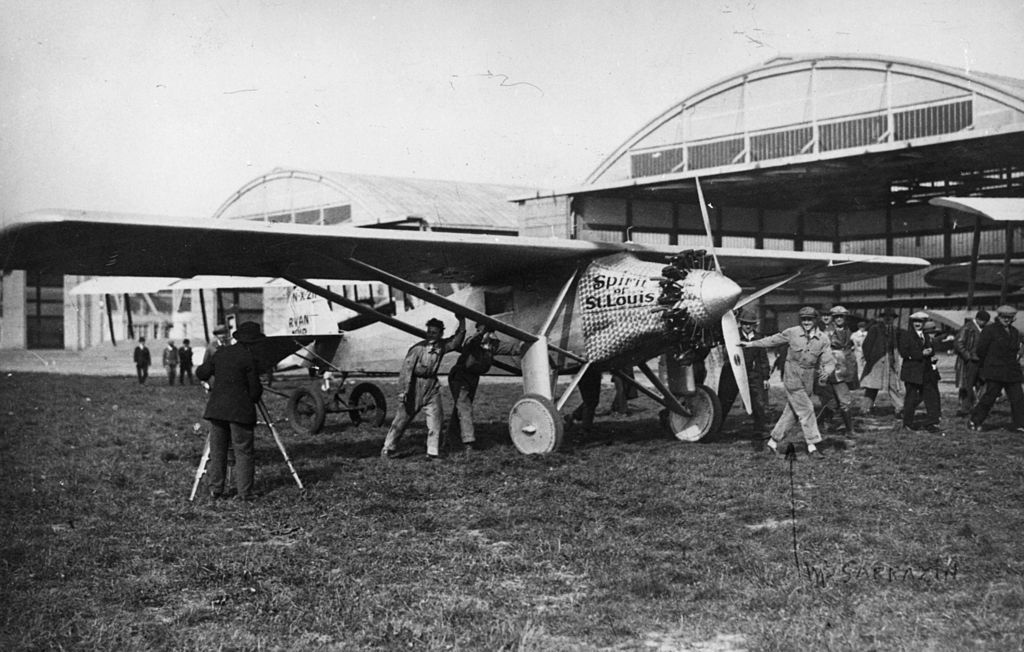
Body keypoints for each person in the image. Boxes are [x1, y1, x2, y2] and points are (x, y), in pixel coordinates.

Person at [740, 306, 835, 459]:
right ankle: (812, 446)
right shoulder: (792, 333)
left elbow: (829, 360)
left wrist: (827, 371)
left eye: (809, 319)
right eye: (804, 319)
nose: (806, 322)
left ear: (815, 320)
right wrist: (750, 344)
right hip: (792, 376)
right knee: (807, 409)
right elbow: (771, 340)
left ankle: (772, 442)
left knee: (792, 412)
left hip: (809, 378)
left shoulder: (823, 339)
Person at [196, 321, 266, 500]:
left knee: (218, 450)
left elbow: (201, 373)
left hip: (217, 410)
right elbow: (255, 391)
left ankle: (216, 489)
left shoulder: (221, 353)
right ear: (253, 342)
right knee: (243, 451)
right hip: (240, 412)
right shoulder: (249, 358)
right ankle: (244, 493)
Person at [381, 316, 466, 459]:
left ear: (440, 334)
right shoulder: (417, 349)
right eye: (429, 332)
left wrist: (462, 321)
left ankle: (432, 452)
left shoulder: (441, 347)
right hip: (415, 386)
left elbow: (456, 341)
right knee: (402, 419)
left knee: (436, 420)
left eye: (434, 333)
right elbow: (406, 371)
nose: (430, 335)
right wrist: (403, 392)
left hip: (432, 387)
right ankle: (388, 448)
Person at [447, 324, 520, 451]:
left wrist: (528, 345)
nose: (490, 335)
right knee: (464, 408)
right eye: (486, 332)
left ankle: (449, 439)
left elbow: (512, 348)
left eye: (490, 332)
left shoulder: (492, 345)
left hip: (473, 377)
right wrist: (481, 333)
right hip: (460, 376)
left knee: (460, 409)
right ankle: (468, 443)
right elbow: (473, 342)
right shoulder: (472, 340)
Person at [968, 305, 1024, 434]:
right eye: (1004, 317)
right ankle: (974, 420)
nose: (1007, 320)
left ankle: (1020, 424)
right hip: (995, 371)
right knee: (989, 397)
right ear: (998, 317)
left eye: (1010, 318)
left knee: (1018, 398)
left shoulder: (1014, 332)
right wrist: (988, 365)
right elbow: (981, 350)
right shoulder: (990, 330)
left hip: (1012, 371)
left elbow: (1016, 349)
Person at [717, 308, 771, 435]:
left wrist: (765, 378)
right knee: (724, 401)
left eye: (750, 324)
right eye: (745, 323)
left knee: (758, 402)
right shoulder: (733, 336)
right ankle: (716, 428)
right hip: (732, 373)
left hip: (751, 373)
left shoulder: (758, 338)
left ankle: (760, 429)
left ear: (755, 325)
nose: (747, 326)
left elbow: (763, 359)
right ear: (740, 323)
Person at [817, 306, 860, 435]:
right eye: (836, 317)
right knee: (844, 401)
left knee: (834, 403)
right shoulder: (826, 333)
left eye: (842, 316)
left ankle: (817, 423)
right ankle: (849, 430)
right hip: (835, 370)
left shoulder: (847, 331)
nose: (839, 319)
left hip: (847, 369)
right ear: (832, 319)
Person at [897, 313, 942, 432]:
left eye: (920, 322)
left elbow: (930, 350)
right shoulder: (906, 336)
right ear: (911, 323)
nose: (917, 324)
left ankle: (931, 422)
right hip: (911, 371)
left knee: (930, 397)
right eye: (915, 321)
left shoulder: (926, 336)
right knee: (911, 398)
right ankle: (907, 423)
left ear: (924, 323)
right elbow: (904, 353)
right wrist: (921, 354)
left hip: (926, 372)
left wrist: (932, 355)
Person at [860, 308, 905, 415]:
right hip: (877, 362)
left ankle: (900, 408)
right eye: (886, 316)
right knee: (872, 386)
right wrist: (869, 359)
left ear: (894, 318)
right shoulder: (875, 329)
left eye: (891, 316)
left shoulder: (896, 330)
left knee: (894, 385)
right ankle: (865, 409)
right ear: (882, 317)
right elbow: (866, 345)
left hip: (891, 361)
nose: (888, 318)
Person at [953, 310, 990, 416]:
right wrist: (968, 356)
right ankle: (964, 409)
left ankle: (976, 408)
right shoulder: (967, 328)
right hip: (968, 363)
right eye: (983, 321)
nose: (985, 323)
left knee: (980, 384)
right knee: (967, 386)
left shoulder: (982, 328)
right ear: (978, 319)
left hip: (979, 362)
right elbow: (958, 343)